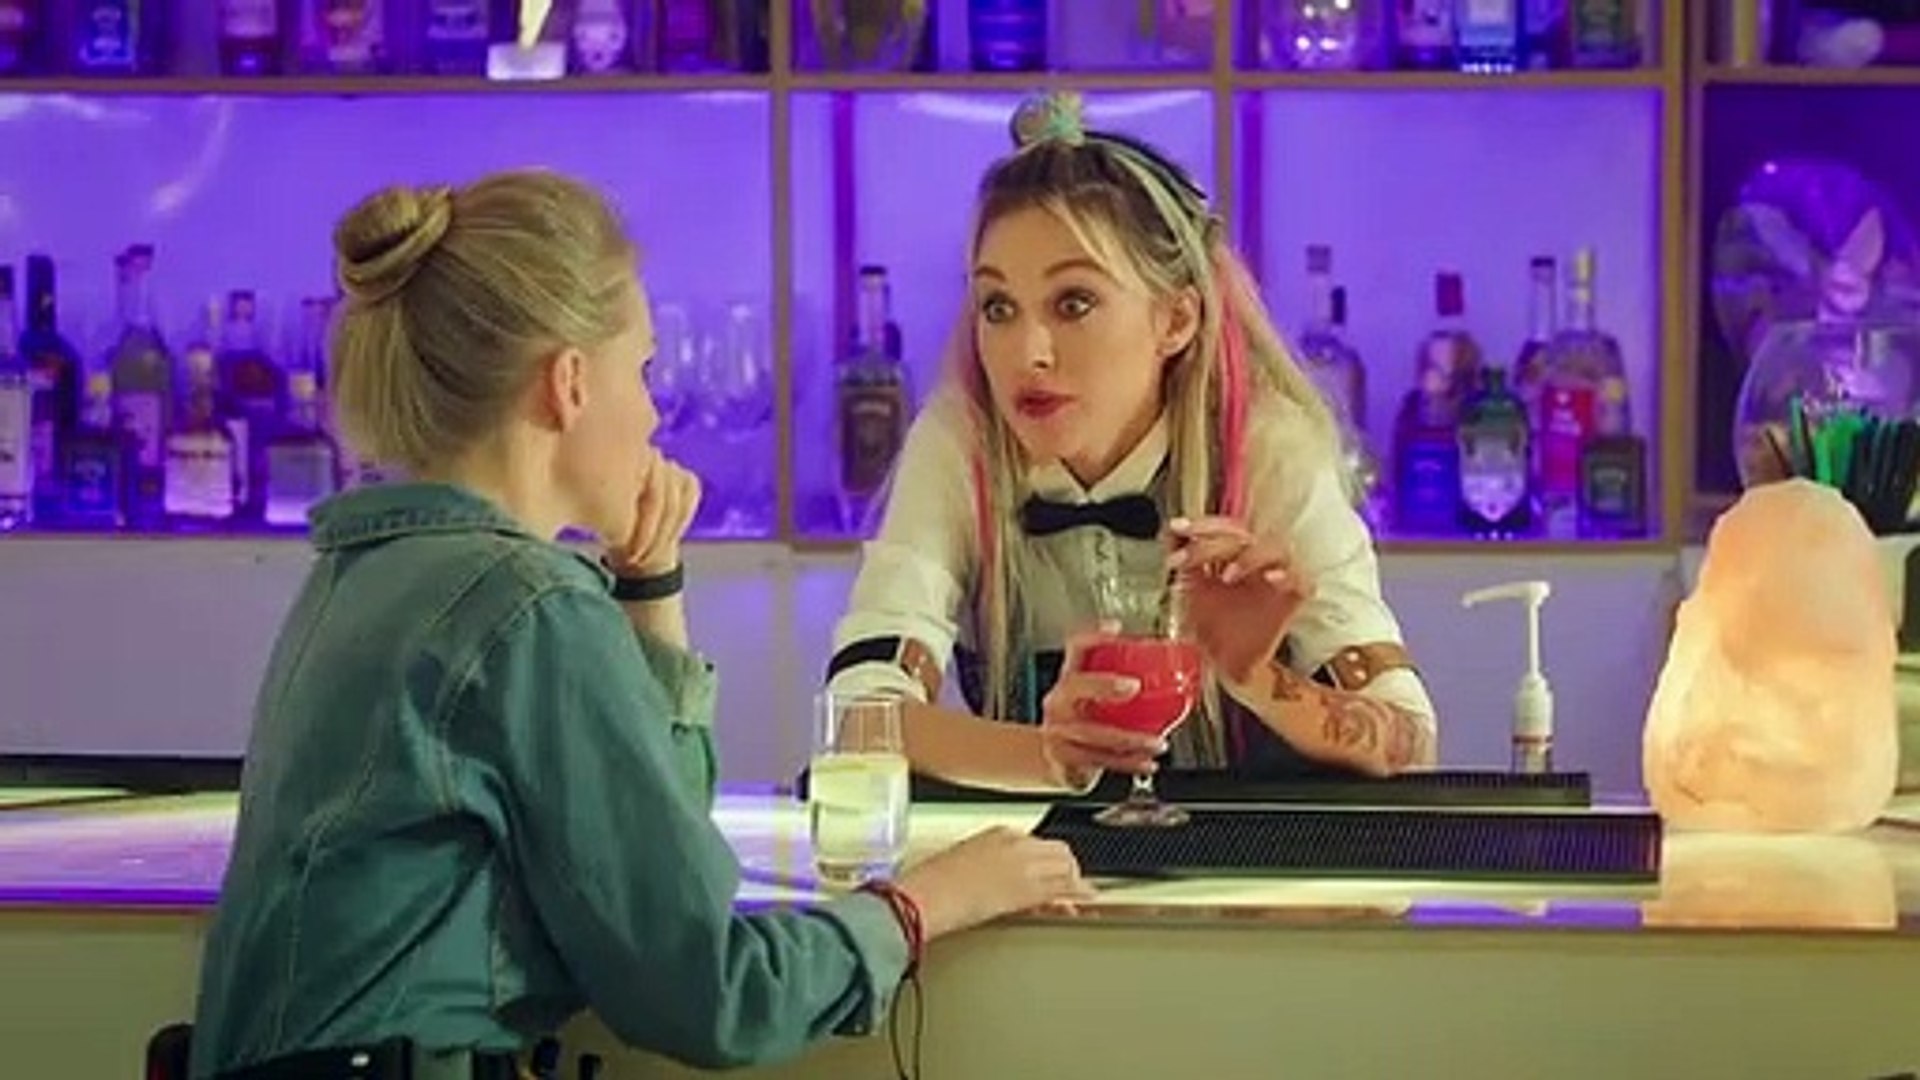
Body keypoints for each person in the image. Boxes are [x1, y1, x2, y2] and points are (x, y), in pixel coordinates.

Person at [189, 169, 1089, 1080]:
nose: (657, 412)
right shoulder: (527, 606)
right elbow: (711, 994)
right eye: (645, 370)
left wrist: (649, 589)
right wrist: (927, 904)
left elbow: (651, 856)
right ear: (569, 384)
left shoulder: (370, 570)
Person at [827, 92, 1439, 790]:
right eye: (998, 307)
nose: (1028, 352)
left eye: (1074, 303)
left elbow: (1409, 740)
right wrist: (1046, 756)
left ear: (1176, 320)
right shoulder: (960, 443)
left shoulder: (1266, 448)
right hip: (1035, 852)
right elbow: (854, 717)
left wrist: (1254, 676)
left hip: (1253, 857)